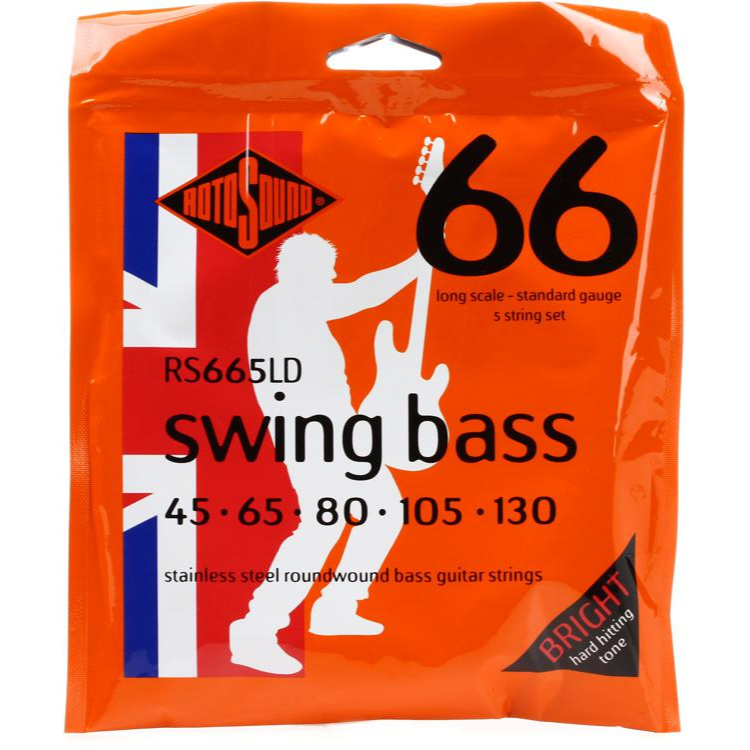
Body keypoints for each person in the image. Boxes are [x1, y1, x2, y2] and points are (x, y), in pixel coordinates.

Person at [229, 232, 425, 674]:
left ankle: (336, 606)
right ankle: (256, 631)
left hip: (332, 430)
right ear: (305, 270)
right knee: (324, 524)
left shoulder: (292, 307)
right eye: (327, 269)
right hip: (314, 432)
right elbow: (363, 293)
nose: (334, 275)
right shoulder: (286, 302)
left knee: (381, 511)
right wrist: (419, 261)